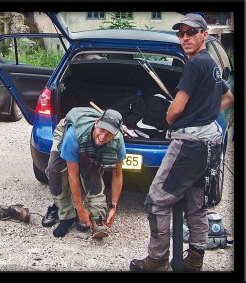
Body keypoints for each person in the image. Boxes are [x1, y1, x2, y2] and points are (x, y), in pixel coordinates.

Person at [130, 13, 234, 271]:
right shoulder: (211, 64)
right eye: (181, 33)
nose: (185, 37)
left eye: (191, 32)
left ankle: (157, 259)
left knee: (156, 201)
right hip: (209, 141)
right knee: (195, 203)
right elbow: (229, 97)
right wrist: (207, 112)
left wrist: (171, 115)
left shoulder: (194, 64)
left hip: (190, 142)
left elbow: (175, 111)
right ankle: (195, 259)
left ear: (204, 35)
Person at [44, 107, 126, 238]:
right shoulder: (73, 135)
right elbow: (73, 176)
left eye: (109, 133)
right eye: (102, 130)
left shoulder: (118, 140)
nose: (103, 137)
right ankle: (67, 216)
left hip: (87, 143)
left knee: (91, 172)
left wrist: (114, 207)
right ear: (96, 123)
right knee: (54, 172)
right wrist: (80, 209)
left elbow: (117, 175)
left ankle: (96, 218)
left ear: (115, 134)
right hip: (68, 133)